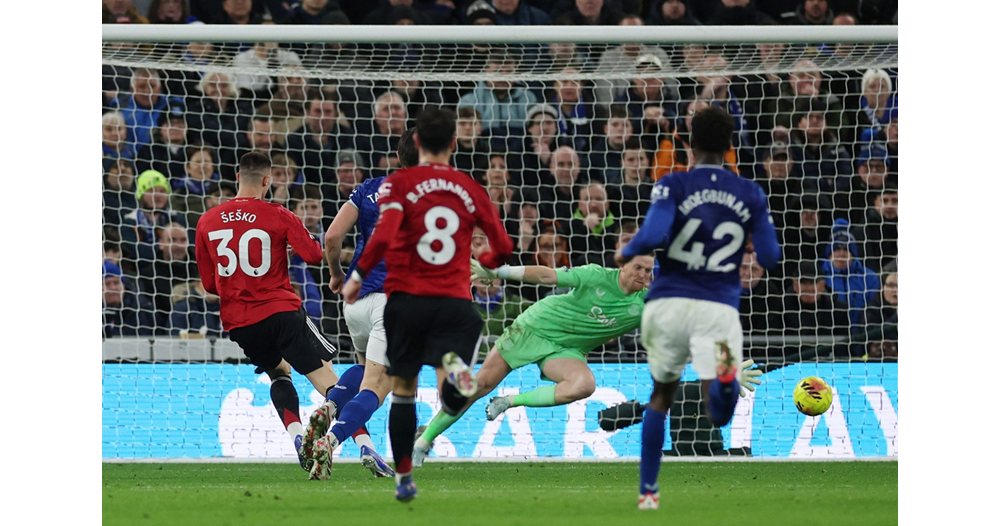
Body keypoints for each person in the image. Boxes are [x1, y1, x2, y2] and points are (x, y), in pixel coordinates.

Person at [340, 107, 514, 502]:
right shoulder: (469, 188)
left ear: (416, 142)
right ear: (454, 143)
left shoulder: (400, 185)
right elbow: (502, 247)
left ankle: (404, 479)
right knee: (447, 385)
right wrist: (485, 262)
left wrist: (356, 277)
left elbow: (382, 237)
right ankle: (453, 371)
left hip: (407, 303)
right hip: (454, 304)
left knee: (403, 391)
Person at [615, 106, 780, 510]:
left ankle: (648, 491)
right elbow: (771, 257)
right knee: (720, 410)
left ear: (688, 143)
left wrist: (627, 250)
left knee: (661, 395)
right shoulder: (750, 193)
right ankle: (723, 381)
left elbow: (652, 234)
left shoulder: (673, 184)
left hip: (668, 305)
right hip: (717, 309)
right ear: (730, 146)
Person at [194, 152, 354, 474]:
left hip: (241, 323)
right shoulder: (278, 214)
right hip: (280, 311)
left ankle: (297, 437)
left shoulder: (207, 221)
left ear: (237, 178)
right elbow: (313, 255)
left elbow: (210, 284)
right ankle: (354, 439)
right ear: (267, 180)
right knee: (327, 378)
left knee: (279, 373)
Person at [411, 255, 654, 465]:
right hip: (535, 327)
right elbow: (547, 276)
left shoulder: (646, 304)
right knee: (480, 385)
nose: (643, 274)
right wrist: (498, 272)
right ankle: (423, 441)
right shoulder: (596, 275)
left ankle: (509, 401)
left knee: (583, 385)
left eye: (648, 270)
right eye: (638, 267)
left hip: (566, 349)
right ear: (623, 265)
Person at [302, 130, 424, 481]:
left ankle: (330, 405)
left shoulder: (370, 187)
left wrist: (335, 274)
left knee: (361, 367)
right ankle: (332, 440)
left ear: (398, 156)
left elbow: (331, 236)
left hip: (354, 299)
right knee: (378, 385)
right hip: (393, 303)